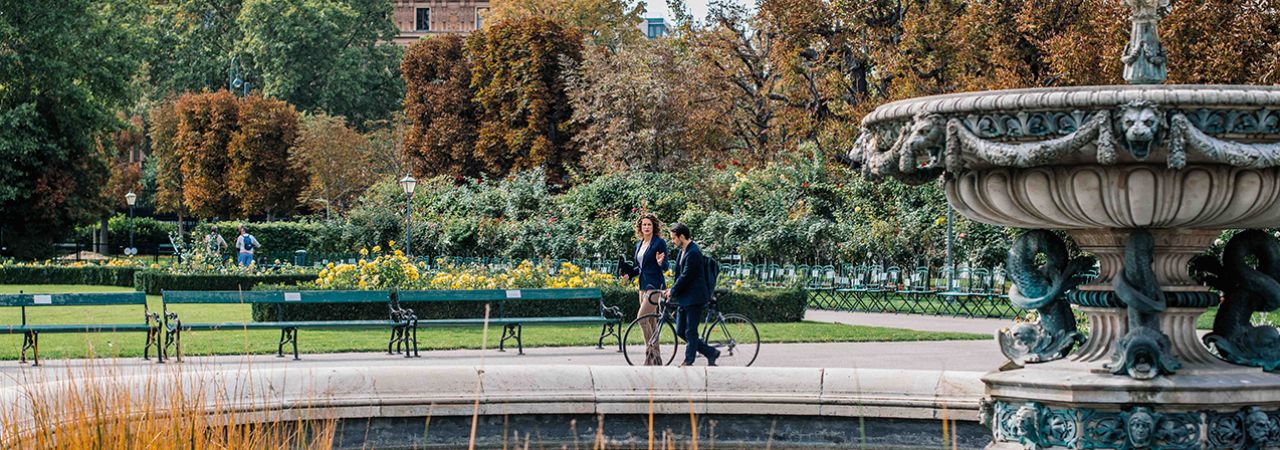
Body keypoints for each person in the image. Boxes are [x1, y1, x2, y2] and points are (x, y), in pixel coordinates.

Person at [665, 223, 719, 367]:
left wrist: (673, 290)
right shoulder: (683, 250)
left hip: (695, 297)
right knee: (680, 331)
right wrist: (672, 290)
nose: (672, 241)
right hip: (685, 297)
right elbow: (679, 275)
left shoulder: (693, 252)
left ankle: (689, 360)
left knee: (690, 331)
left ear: (682, 237)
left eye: (674, 238)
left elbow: (686, 275)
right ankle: (710, 352)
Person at [620, 213, 668, 365]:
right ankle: (656, 359)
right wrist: (629, 274)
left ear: (654, 227)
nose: (646, 227)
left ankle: (650, 353)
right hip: (642, 286)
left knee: (641, 318)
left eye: (649, 224)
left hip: (655, 286)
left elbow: (665, 266)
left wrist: (660, 262)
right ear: (640, 227)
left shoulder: (659, 243)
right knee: (651, 323)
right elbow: (640, 267)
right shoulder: (639, 244)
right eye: (644, 225)